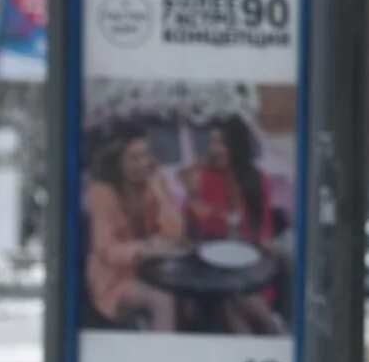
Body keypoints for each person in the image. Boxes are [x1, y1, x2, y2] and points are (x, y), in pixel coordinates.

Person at [179, 115, 281, 335]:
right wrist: (192, 197)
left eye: (222, 143)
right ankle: (268, 330)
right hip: (213, 263)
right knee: (230, 297)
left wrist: (263, 245)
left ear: (236, 146)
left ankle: (270, 327)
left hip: (249, 262)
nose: (216, 149)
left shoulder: (255, 179)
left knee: (236, 297)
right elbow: (193, 226)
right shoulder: (204, 175)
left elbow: (264, 229)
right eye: (213, 142)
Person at [84, 136, 184, 331]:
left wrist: (161, 195)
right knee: (162, 301)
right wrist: (143, 249)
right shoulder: (102, 192)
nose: (142, 164)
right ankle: (159, 359)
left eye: (145, 156)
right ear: (118, 162)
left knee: (186, 302)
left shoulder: (154, 182)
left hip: (149, 270)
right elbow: (105, 250)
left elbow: (175, 232)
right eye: (133, 158)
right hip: (113, 278)